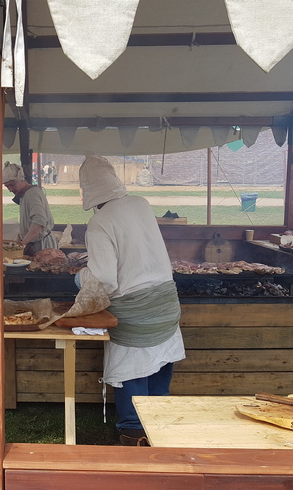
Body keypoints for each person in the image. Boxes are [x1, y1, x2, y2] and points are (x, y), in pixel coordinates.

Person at [77, 153, 184, 446]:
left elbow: (104, 279)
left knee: (132, 369)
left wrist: (79, 277)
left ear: (87, 189)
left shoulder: (99, 222)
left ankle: (133, 434)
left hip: (136, 315)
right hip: (167, 306)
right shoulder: (141, 203)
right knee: (159, 366)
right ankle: (161, 431)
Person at [2, 161, 58, 255]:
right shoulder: (25, 194)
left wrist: (21, 245)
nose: (10, 190)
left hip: (42, 246)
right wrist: (20, 237)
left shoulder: (32, 194)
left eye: (12, 185)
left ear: (21, 180)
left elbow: (39, 222)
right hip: (34, 244)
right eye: (7, 186)